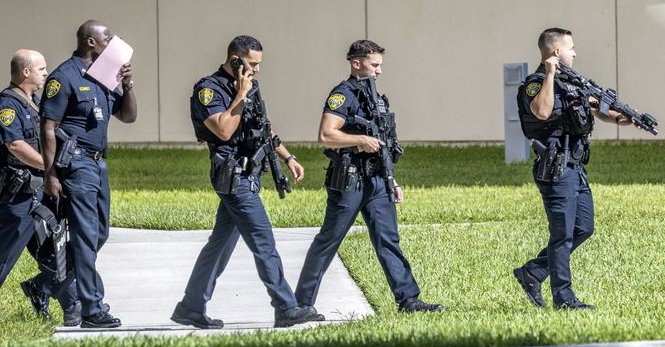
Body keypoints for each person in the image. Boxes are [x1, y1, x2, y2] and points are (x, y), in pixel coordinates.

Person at [172, 35, 319, 330]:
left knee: (219, 245)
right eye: (252, 63)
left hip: (249, 174)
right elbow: (224, 131)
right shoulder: (208, 89)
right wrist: (241, 93)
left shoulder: (250, 85)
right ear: (235, 59)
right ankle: (285, 306)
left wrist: (288, 157)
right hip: (232, 176)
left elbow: (261, 126)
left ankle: (191, 306)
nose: (257, 69)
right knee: (263, 240)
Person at [296, 40, 442, 315]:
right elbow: (326, 134)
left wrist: (392, 180)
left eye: (380, 65)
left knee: (388, 240)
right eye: (374, 65)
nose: (379, 71)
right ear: (356, 63)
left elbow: (384, 144)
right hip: (349, 180)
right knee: (329, 240)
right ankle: (301, 303)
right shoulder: (343, 94)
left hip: (376, 181)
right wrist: (359, 139)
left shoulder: (377, 99)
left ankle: (408, 300)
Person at [514, 28, 631, 310]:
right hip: (555, 168)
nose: (575, 53)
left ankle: (532, 272)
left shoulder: (573, 84)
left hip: (576, 167)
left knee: (583, 227)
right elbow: (541, 112)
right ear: (555, 52)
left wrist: (620, 119)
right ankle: (564, 299)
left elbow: (596, 107)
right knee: (562, 234)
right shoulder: (535, 84)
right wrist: (551, 75)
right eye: (571, 48)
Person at [0, 50, 78, 323]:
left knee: (54, 250)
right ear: (26, 72)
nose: (46, 74)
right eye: (41, 69)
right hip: (14, 195)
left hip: (36, 192)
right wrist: (50, 167)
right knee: (1, 254)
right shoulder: (7, 106)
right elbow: (14, 146)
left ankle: (74, 306)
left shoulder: (32, 104)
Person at [41, 21, 136, 329]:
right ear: (92, 42)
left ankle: (46, 283)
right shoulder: (63, 77)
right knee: (84, 236)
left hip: (98, 164)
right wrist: (50, 172)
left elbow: (128, 116)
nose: (114, 42)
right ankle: (92, 309)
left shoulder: (105, 77)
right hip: (76, 163)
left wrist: (128, 85)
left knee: (99, 233)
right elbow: (48, 127)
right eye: (108, 38)